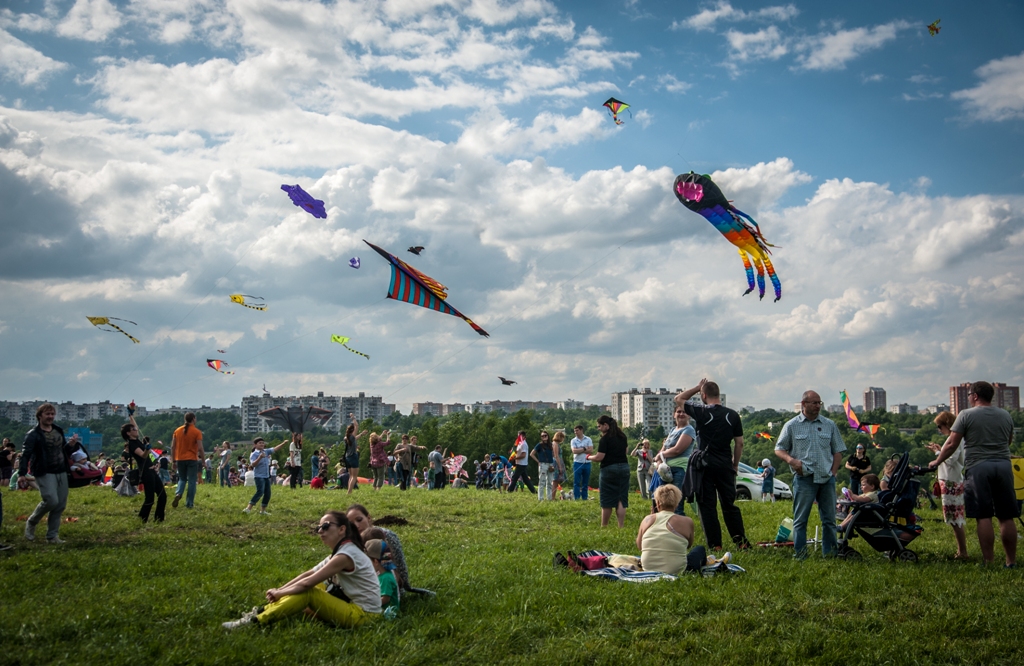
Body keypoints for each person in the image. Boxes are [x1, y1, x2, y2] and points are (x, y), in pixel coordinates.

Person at [222, 511, 381, 629]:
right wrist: (280, 589)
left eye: (325, 526)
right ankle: (260, 612)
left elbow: (307, 584)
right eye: (318, 528)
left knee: (310, 592)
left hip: (364, 617)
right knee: (317, 587)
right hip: (359, 610)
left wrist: (280, 593)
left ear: (341, 529)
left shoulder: (346, 555)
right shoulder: (344, 550)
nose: (320, 531)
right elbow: (309, 574)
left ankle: (255, 622)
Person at [928, 381, 1017, 567]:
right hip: (1003, 465)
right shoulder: (1005, 415)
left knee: (983, 515)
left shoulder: (966, 415)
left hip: (978, 467)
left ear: (975, 396)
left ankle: (989, 561)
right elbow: (1008, 441)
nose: (969, 398)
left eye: (969, 395)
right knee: (1006, 516)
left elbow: (952, 444)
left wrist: (937, 460)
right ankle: (1011, 561)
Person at [676, 380, 750, 549]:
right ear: (718, 394)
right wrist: (735, 464)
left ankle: (715, 545)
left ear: (704, 395)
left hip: (705, 465)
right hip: (724, 464)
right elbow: (739, 444)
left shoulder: (701, 411)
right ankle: (741, 542)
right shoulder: (732, 415)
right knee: (729, 504)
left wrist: (696, 387)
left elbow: (679, 399)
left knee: (707, 505)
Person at [774, 390, 846, 559]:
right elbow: (779, 449)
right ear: (804, 404)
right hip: (804, 479)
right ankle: (801, 555)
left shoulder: (829, 424)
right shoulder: (792, 425)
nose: (817, 406)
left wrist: (834, 472)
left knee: (829, 520)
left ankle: (830, 554)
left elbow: (838, 451)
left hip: (826, 479)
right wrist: (792, 461)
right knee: (800, 520)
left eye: (819, 403)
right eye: (814, 403)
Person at [19, 403, 72, 544]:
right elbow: (26, 454)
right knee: (51, 500)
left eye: (52, 414)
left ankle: (52, 536)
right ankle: (32, 521)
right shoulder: (33, 434)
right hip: (44, 471)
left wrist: (71, 446)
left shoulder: (58, 430)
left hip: (61, 470)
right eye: (47, 414)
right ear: (40, 416)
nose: (50, 417)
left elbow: (63, 449)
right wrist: (21, 473)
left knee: (60, 504)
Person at [637, 485, 718, 574]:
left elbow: (640, 546)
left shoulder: (646, 520)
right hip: (678, 570)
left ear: (658, 503)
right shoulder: (687, 521)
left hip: (648, 568)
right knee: (700, 549)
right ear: (676, 503)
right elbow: (688, 545)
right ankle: (707, 561)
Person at [926, 411, 968, 560]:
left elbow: (950, 460)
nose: (939, 429)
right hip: (949, 480)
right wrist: (939, 450)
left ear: (947, 424)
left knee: (955, 518)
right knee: (953, 518)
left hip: (952, 482)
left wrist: (938, 453)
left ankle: (962, 551)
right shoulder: (952, 439)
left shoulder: (955, 439)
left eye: (940, 426)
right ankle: (961, 550)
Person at [347, 504, 414, 593]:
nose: (356, 525)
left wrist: (403, 586)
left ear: (369, 518)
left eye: (359, 520)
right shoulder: (351, 540)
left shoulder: (387, 536)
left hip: (387, 588)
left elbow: (400, 567)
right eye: (351, 524)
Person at [122, 413, 166, 523]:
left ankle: (159, 519)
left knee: (162, 495)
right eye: (133, 429)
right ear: (128, 433)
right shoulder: (132, 444)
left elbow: (134, 424)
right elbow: (142, 455)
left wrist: (131, 414)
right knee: (150, 499)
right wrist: (147, 449)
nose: (136, 430)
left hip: (152, 471)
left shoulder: (136, 440)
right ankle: (142, 519)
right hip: (146, 473)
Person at [588, 415, 630, 528]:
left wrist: (589, 457)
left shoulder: (604, 439)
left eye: (599, 426)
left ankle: (604, 526)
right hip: (624, 467)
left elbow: (599, 457)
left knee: (607, 499)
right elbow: (626, 451)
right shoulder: (622, 436)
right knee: (621, 497)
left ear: (606, 425)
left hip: (609, 469)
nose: (598, 429)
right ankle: (621, 526)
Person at [654, 406, 696, 516]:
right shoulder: (673, 430)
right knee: (661, 502)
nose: (681, 414)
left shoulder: (689, 430)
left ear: (689, 416)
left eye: (684, 412)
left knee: (676, 504)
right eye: (679, 412)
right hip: (666, 470)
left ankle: (679, 529)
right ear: (674, 415)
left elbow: (677, 450)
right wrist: (659, 462)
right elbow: (664, 447)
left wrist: (660, 455)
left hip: (679, 470)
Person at [243, 436, 287, 514]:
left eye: (263, 443)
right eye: (260, 443)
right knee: (260, 492)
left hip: (266, 476)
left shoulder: (266, 451)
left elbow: (275, 449)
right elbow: (253, 464)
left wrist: (283, 443)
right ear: (255, 445)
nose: (262, 444)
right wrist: (260, 457)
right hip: (259, 476)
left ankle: (263, 510)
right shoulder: (254, 454)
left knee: (268, 493)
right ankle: (248, 508)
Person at [170, 412, 204, 509]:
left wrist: (173, 461)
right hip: (192, 459)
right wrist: (203, 461)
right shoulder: (196, 432)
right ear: (193, 419)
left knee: (182, 478)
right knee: (192, 481)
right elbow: (200, 448)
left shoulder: (177, 431)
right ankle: (189, 503)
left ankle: (179, 493)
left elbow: (173, 447)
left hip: (179, 458)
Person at [365, 539, 400, 617]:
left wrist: (369, 605)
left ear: (376, 562)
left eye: (367, 561)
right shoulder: (380, 574)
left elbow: (385, 599)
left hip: (388, 613)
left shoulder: (386, 578)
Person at [570, 425, 593, 501]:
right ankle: (576, 497)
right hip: (577, 463)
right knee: (576, 482)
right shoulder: (573, 440)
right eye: (574, 431)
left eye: (577, 430)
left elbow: (590, 450)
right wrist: (584, 448)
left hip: (587, 463)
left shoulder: (588, 439)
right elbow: (574, 451)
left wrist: (579, 450)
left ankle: (584, 497)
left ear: (581, 430)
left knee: (585, 482)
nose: (575, 432)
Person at [531, 431, 556, 501]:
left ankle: (549, 498)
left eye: (545, 435)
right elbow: (532, 454)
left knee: (550, 482)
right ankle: (540, 498)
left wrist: (554, 463)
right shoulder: (539, 445)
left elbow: (554, 455)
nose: (544, 437)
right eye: (542, 436)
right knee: (542, 481)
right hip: (543, 464)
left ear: (548, 436)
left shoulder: (551, 445)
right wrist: (538, 461)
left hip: (550, 464)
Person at [551, 432, 567, 498]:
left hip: (556, 462)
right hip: (556, 463)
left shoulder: (553, 444)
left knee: (556, 481)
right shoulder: (555, 444)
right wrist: (560, 466)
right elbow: (556, 455)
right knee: (555, 481)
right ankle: (552, 497)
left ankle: (552, 496)